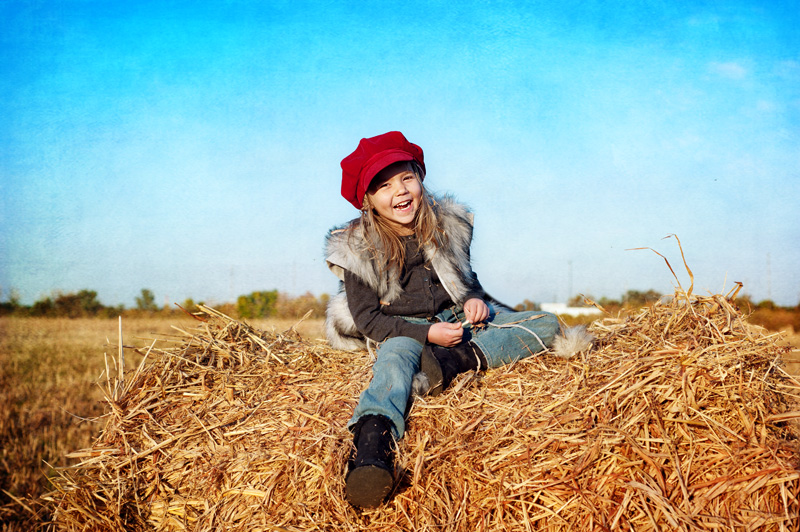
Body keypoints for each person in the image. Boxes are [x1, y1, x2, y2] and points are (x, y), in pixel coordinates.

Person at [324, 131, 568, 509]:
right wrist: (426, 333)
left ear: (420, 178)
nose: (400, 191)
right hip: (401, 328)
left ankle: (451, 362)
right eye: (384, 186)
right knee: (393, 364)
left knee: (546, 323)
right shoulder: (358, 248)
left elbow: (468, 283)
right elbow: (369, 320)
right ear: (368, 200)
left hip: (455, 322)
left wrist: (473, 301)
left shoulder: (446, 226)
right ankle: (372, 450)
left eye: (406, 178)